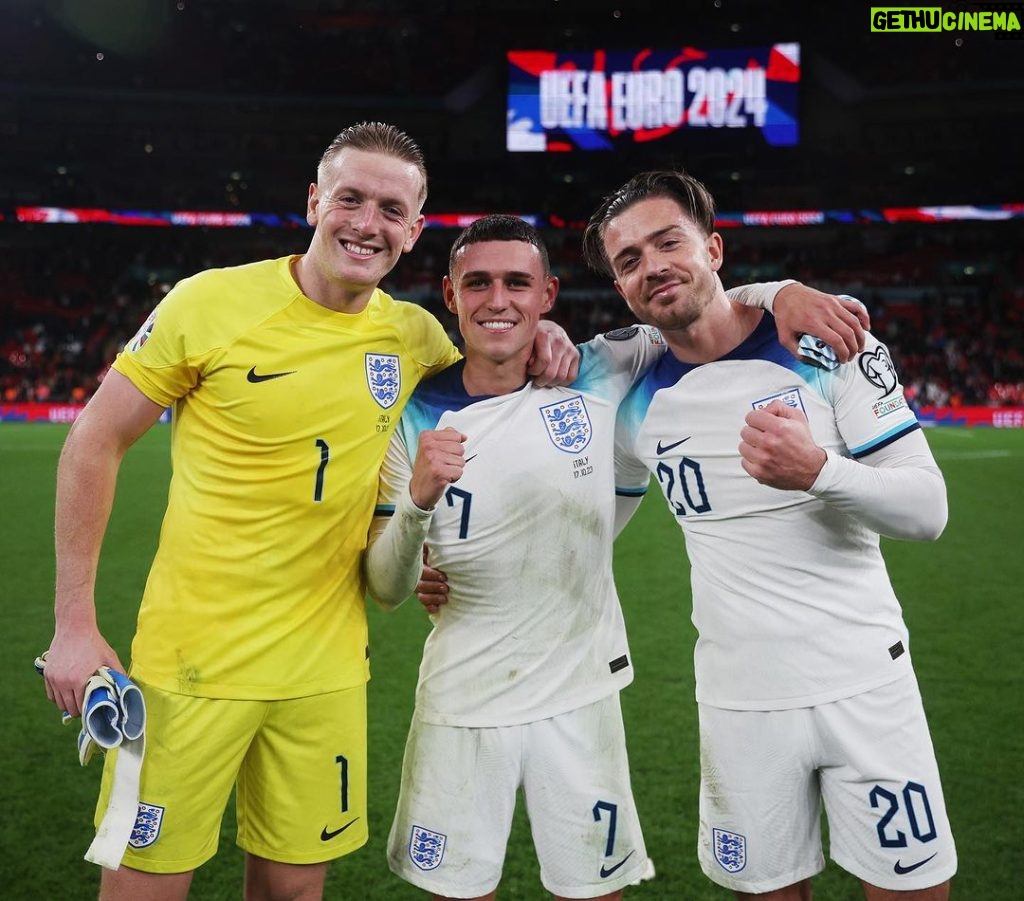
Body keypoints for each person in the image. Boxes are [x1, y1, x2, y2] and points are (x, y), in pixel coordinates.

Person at [39, 122, 580, 901]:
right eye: (351, 199)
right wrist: (73, 622)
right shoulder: (209, 302)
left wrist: (547, 331)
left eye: (391, 208)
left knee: (294, 888)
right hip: (191, 667)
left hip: (326, 670)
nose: (367, 223)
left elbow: (496, 365)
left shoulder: (415, 335)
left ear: (414, 230)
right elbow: (94, 439)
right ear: (314, 201)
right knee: (144, 890)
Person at [363, 215, 869, 901]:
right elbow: (387, 587)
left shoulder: (604, 366)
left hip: (582, 695)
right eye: (477, 283)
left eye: (518, 283)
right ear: (450, 296)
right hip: (461, 698)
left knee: (597, 892)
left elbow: (695, 304)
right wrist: (419, 502)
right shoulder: (415, 415)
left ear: (549, 294)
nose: (498, 300)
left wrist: (781, 293)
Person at [580, 170, 956, 900]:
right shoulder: (632, 397)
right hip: (739, 700)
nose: (652, 266)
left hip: (865, 682)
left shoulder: (826, 343)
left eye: (668, 242)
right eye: (628, 260)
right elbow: (593, 526)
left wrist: (819, 472)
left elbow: (928, 508)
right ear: (620, 285)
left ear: (714, 248)